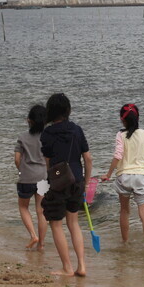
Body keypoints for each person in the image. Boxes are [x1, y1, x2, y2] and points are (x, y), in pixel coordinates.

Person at [40, 93, 92, 277]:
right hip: (77, 180)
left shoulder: (47, 133)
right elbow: (88, 159)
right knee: (74, 223)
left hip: (58, 181)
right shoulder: (77, 130)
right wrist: (86, 183)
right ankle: (82, 266)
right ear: (67, 110)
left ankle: (67, 268)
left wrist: (48, 182)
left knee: (56, 223)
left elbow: (47, 162)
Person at [101, 103, 144, 244]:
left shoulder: (120, 135)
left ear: (122, 120)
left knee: (124, 211)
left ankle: (125, 242)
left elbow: (118, 155)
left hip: (124, 177)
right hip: (141, 177)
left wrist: (108, 175)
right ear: (138, 118)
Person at [15, 104, 48, 250]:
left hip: (26, 177)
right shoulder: (47, 137)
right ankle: (41, 244)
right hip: (43, 177)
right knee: (41, 211)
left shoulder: (22, 137)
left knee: (23, 207)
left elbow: (17, 159)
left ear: (29, 120)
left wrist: (22, 170)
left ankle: (33, 235)